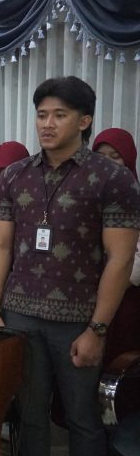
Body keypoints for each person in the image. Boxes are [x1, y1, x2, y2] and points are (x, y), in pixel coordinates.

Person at [0, 77, 140, 456]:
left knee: (82, 419)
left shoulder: (112, 179)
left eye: (59, 115)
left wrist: (97, 329)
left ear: (84, 121)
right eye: (42, 115)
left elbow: (120, 259)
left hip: (78, 322)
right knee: (29, 413)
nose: (47, 124)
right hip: (20, 315)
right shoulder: (15, 175)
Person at [91, 128, 140, 371]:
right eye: (101, 157)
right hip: (84, 297)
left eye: (115, 156)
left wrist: (111, 283)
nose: (108, 163)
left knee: (117, 364)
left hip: (125, 298)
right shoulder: (83, 198)